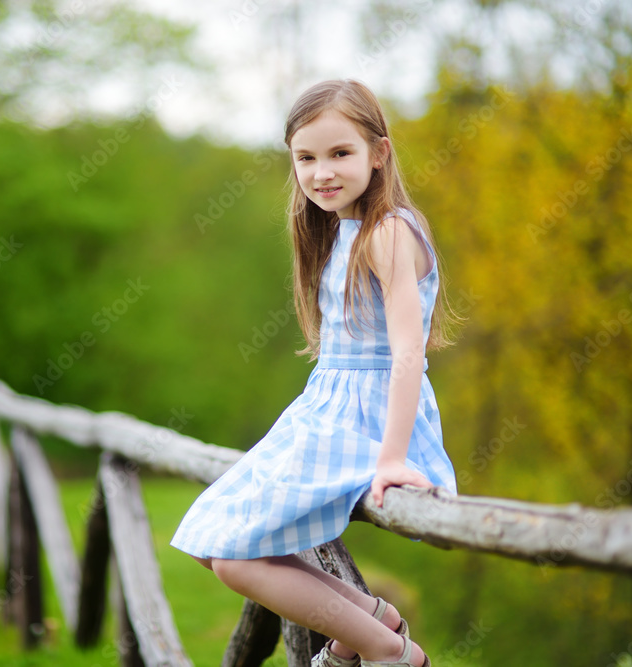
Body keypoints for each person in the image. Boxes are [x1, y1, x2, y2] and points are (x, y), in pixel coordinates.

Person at [169, 79, 459, 667]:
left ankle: (386, 650)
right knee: (212, 539)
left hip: (371, 420)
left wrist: (393, 458)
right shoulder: (340, 229)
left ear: (379, 153)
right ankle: (376, 619)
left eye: (339, 153)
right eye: (306, 158)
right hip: (326, 408)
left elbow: (409, 351)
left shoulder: (388, 231)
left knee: (232, 556)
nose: (321, 171)